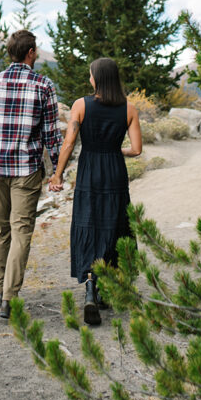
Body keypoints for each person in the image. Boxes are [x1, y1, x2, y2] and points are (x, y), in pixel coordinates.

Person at [0, 29, 61, 319]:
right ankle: (9, 299)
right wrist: (58, 169)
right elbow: (51, 134)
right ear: (31, 52)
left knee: (0, 229)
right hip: (26, 170)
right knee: (21, 231)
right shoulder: (43, 86)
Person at [49, 57, 142, 326]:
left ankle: (90, 285)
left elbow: (68, 144)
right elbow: (136, 150)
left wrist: (58, 175)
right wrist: (114, 151)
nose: (89, 78)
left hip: (89, 171)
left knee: (89, 223)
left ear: (97, 78)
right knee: (114, 225)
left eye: (91, 75)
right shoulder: (129, 108)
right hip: (114, 171)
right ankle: (109, 288)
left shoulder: (81, 105)